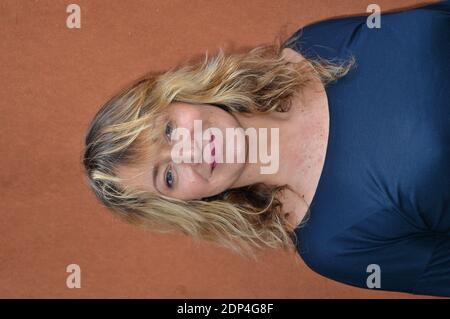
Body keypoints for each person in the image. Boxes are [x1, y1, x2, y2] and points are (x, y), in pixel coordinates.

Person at [83, 1, 450, 297]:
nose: (187, 154)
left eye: (167, 130)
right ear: (183, 206)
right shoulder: (334, 246)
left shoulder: (312, 46)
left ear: (180, 97)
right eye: (168, 176)